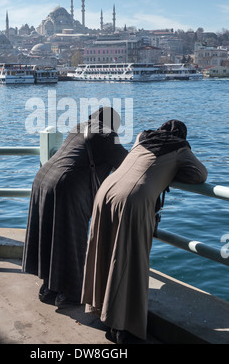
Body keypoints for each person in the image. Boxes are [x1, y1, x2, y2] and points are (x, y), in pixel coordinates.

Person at [81, 119, 208, 344]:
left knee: (105, 251)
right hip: (132, 200)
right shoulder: (179, 149)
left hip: (106, 190)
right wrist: (171, 173)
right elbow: (200, 174)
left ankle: (102, 312)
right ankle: (123, 329)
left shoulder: (142, 137)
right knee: (130, 262)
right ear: (183, 136)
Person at [22, 107, 128, 309]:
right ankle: (71, 293)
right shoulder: (106, 134)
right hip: (66, 187)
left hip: (43, 180)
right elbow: (127, 162)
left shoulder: (79, 127)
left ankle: (49, 288)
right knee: (72, 237)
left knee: (50, 235)